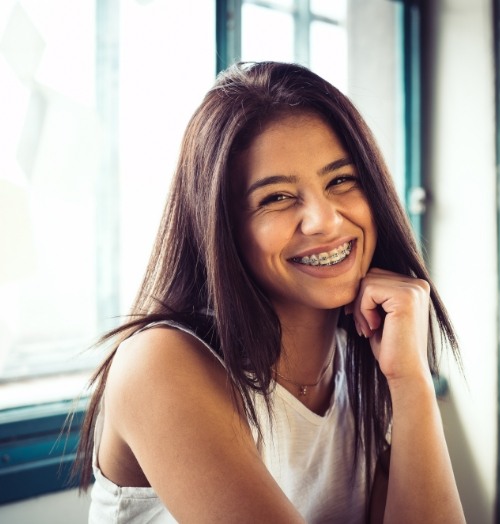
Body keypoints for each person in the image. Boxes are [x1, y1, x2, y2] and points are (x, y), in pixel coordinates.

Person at [75, 61, 465, 523]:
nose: (324, 220)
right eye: (276, 198)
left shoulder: (364, 366)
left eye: (341, 180)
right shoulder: (161, 362)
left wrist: (411, 380)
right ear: (224, 229)